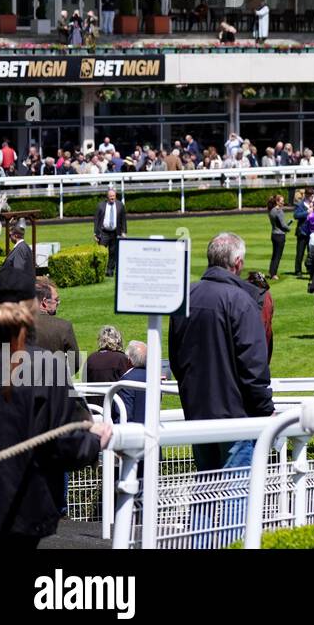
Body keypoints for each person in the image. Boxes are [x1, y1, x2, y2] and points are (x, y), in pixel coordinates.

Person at [0, 268, 112, 548]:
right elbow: (65, 445)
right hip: (23, 511)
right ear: (32, 311)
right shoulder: (47, 366)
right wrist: (94, 440)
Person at [169, 233, 275, 475]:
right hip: (235, 417)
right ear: (237, 262)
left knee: (205, 495)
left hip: (197, 412)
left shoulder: (186, 297)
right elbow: (253, 367)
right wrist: (265, 409)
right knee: (235, 499)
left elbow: (176, 360)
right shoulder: (241, 300)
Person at [31, 276, 79, 381]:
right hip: (53, 387)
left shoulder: (14, 325)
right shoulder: (63, 327)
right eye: (56, 300)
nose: (58, 303)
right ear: (44, 302)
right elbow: (74, 363)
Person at [93, 186, 126, 278]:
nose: (112, 198)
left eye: (114, 196)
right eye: (111, 196)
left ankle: (110, 271)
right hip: (103, 232)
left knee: (113, 252)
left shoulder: (120, 205)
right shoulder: (101, 206)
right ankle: (100, 270)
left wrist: (123, 231)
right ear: (107, 197)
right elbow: (96, 220)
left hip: (115, 232)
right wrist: (95, 233)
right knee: (101, 252)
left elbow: (123, 219)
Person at [117, 340, 149, 425]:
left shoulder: (127, 379)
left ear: (129, 360)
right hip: (151, 429)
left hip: (132, 432)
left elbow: (124, 414)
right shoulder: (154, 378)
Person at [267, 194, 290, 280]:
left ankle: (271, 271)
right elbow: (283, 225)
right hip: (280, 235)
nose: (283, 203)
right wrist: (288, 228)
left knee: (274, 255)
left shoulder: (271, 210)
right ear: (277, 202)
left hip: (274, 234)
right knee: (278, 256)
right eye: (282, 201)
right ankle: (273, 274)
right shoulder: (279, 211)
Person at [292, 187, 313, 277]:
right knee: (300, 252)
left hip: (311, 231)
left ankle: (309, 268)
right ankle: (298, 270)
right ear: (306, 195)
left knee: (310, 252)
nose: (312, 197)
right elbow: (296, 215)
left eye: (313, 195)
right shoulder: (300, 204)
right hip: (302, 231)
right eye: (310, 195)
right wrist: (307, 212)